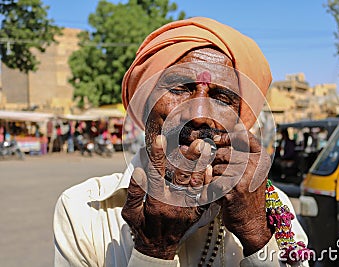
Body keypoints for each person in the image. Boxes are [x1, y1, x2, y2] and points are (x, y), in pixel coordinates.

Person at [53, 17, 309, 267]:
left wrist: (254, 232)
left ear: (240, 121)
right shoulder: (84, 209)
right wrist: (154, 249)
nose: (198, 116)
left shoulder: (272, 210)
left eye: (221, 97)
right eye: (178, 88)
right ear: (145, 107)